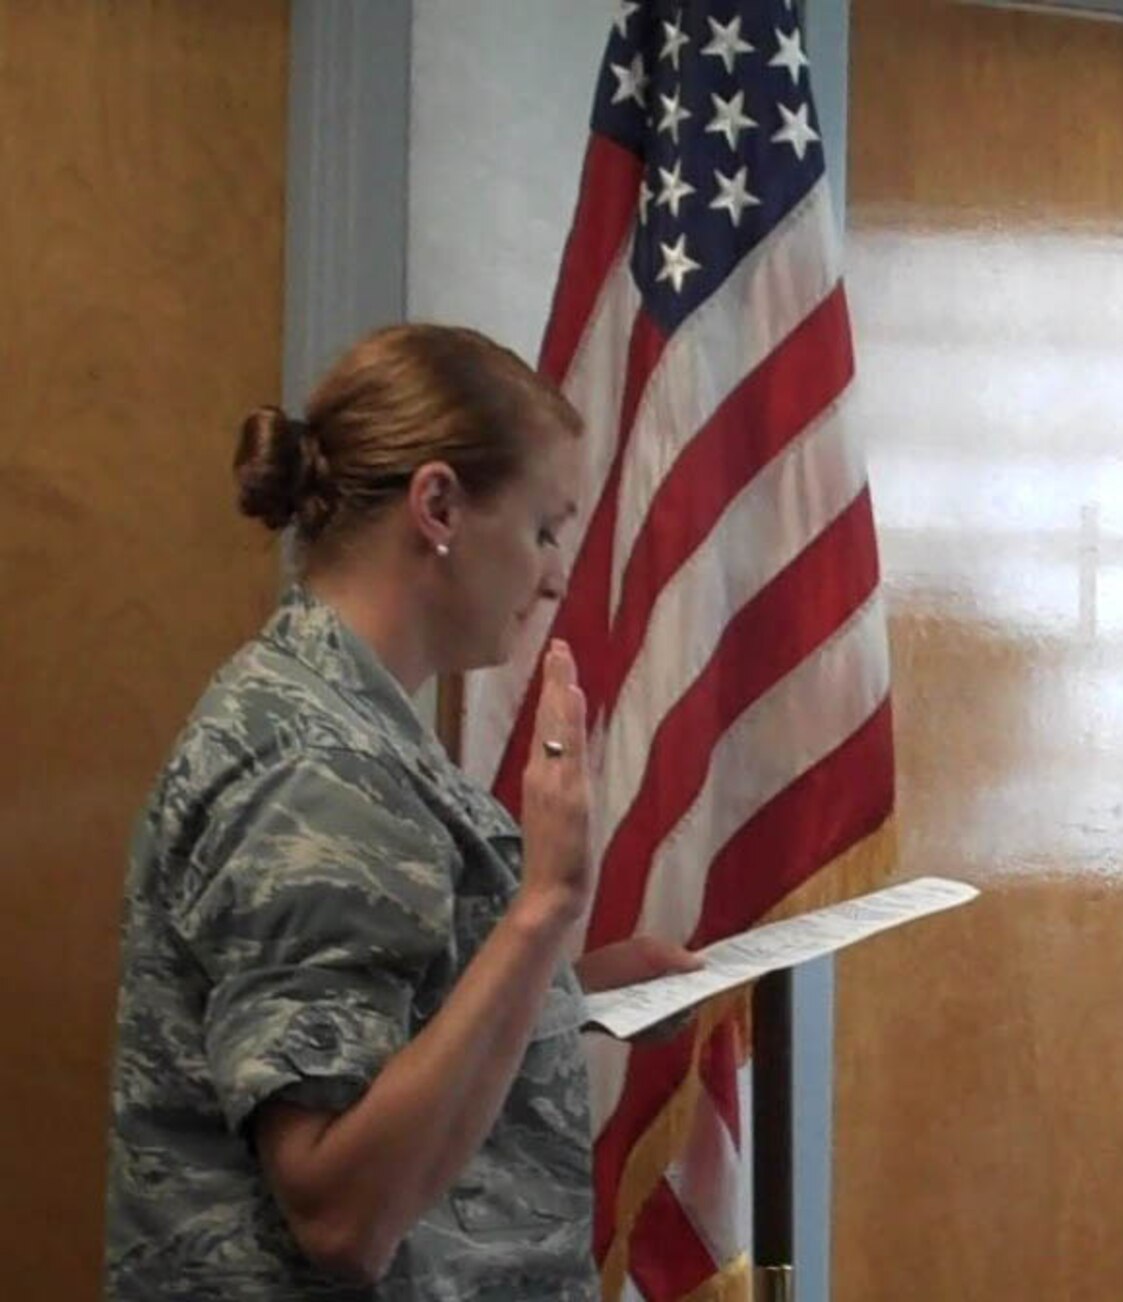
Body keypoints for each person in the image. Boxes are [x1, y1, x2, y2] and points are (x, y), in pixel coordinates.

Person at [102, 324, 699, 1299]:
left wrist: (564, 995)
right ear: (438, 505)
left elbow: (388, 1036)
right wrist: (543, 904)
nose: (554, 573)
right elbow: (341, 1207)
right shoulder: (319, 766)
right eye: (544, 528)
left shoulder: (341, 721)